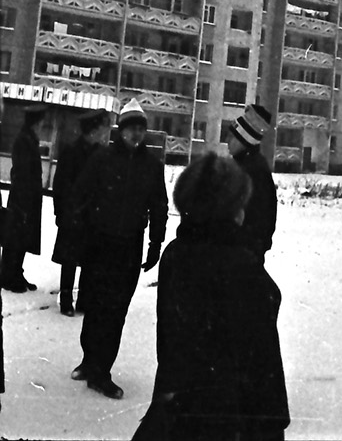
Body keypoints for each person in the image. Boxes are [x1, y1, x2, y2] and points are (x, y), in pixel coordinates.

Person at [133, 153, 289, 440]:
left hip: (178, 404)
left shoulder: (176, 254)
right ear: (231, 211)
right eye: (241, 203)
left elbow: (170, 338)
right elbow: (262, 363)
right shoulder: (241, 265)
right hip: (231, 416)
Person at [71, 99, 168, 400]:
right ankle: (90, 362)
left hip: (129, 247)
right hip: (100, 244)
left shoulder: (152, 166)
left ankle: (102, 371)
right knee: (96, 305)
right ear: (121, 130)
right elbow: (80, 194)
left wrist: (155, 243)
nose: (136, 134)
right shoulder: (102, 159)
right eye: (131, 128)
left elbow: (159, 206)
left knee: (116, 311)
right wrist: (84, 227)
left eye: (141, 129)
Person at [52, 111, 110, 315]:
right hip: (74, 215)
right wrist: (60, 212)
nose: (103, 133)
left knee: (88, 260)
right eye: (101, 129)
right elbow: (59, 185)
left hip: (90, 217)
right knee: (70, 261)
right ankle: (66, 301)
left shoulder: (100, 154)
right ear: (93, 130)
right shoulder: (73, 153)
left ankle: (83, 300)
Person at [2, 105, 49, 293]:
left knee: (21, 238)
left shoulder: (29, 139)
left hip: (27, 198)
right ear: (35, 122)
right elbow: (22, 172)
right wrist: (25, 199)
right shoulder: (24, 141)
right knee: (15, 239)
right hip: (22, 199)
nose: (42, 125)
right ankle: (8, 276)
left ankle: (15, 272)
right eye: (41, 122)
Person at [226, 104, 277, 258]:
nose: (227, 140)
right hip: (243, 254)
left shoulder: (251, 171)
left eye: (232, 136)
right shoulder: (247, 166)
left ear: (244, 139)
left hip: (241, 256)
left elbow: (258, 221)